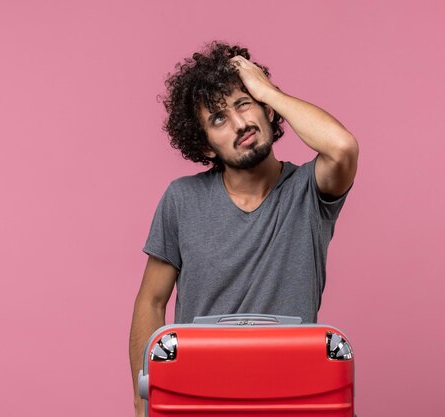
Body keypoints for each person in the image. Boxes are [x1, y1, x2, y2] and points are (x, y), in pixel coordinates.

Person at [129, 41, 358, 416]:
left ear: (267, 109)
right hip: (198, 394)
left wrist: (267, 89)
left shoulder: (309, 190)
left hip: (293, 393)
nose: (240, 125)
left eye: (244, 104)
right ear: (205, 147)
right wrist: (143, 400)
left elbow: (342, 146)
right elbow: (152, 302)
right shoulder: (182, 199)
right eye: (218, 119)